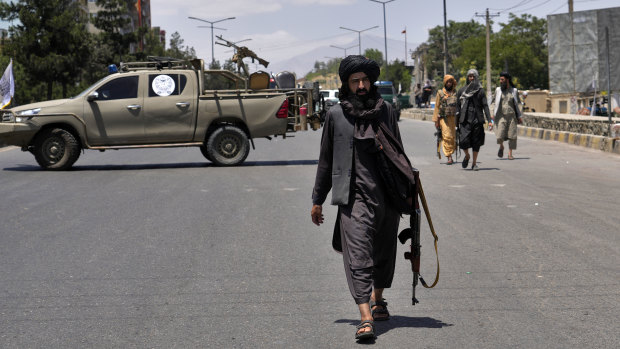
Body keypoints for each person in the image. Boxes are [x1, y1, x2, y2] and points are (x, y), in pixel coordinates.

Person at [310, 55, 407, 341]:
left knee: (383, 253)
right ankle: (365, 316)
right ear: (347, 84)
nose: (362, 85)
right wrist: (317, 198)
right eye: (356, 81)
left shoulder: (386, 111)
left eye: (365, 80)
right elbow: (325, 160)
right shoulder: (336, 115)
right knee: (359, 256)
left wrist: (409, 191)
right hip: (352, 199)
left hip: (386, 196)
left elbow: (399, 154)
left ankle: (378, 299)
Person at [456, 69, 491, 171]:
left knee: (476, 142)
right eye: (470, 76)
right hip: (465, 119)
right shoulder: (462, 90)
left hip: (477, 119)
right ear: (467, 77)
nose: (471, 78)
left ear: (476, 77)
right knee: (463, 141)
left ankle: (474, 164)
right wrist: (456, 122)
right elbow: (457, 107)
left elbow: (485, 106)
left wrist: (489, 120)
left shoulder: (480, 90)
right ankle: (467, 156)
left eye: (473, 76)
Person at [492, 72, 522, 160]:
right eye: (500, 80)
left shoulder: (514, 91)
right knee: (499, 135)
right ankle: (501, 146)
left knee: (512, 136)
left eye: (502, 80)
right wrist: (491, 114)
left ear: (507, 80)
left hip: (512, 116)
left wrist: (519, 116)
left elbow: (518, 104)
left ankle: (510, 154)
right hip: (501, 116)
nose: (500, 81)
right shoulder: (498, 91)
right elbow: (493, 102)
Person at [432, 74, 458, 164]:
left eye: (450, 82)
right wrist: (436, 120)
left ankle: (451, 153)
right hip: (444, 119)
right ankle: (449, 156)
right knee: (446, 137)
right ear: (445, 83)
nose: (449, 83)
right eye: (447, 82)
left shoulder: (455, 93)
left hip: (453, 119)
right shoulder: (440, 93)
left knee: (452, 137)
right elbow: (437, 106)